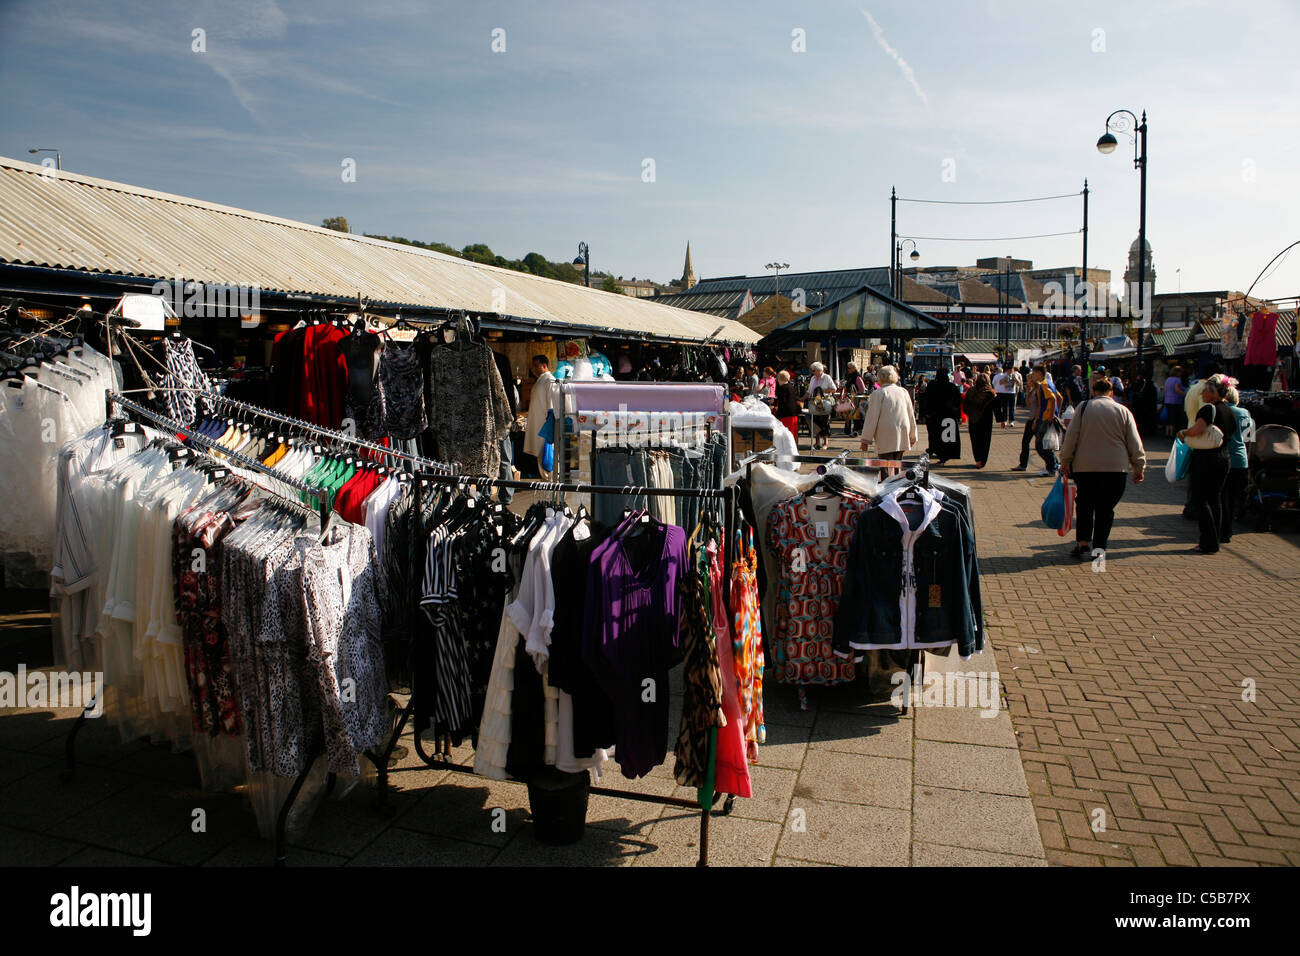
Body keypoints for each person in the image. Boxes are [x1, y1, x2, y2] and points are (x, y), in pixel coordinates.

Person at [1058, 378, 1146, 559]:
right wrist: (1139, 466)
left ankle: (1082, 541)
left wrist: (1065, 460)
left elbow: (1071, 436)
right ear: (1111, 392)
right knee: (1105, 510)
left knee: (1084, 504)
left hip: (1086, 467)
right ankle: (1099, 550)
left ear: (1093, 391)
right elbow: (1134, 441)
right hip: (1116, 468)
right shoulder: (1123, 411)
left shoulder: (1083, 408)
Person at [1178, 376, 1237, 554]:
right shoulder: (1229, 410)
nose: (1202, 394)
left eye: (1204, 391)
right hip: (1224, 458)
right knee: (1215, 498)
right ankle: (1215, 539)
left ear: (1212, 394)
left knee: (1200, 499)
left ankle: (1208, 541)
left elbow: (1197, 430)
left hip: (1206, 459)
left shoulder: (1208, 410)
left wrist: (1183, 433)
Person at [858, 365, 917, 469]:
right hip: (902, 428)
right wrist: (913, 435)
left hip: (885, 431)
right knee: (898, 460)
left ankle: (887, 481)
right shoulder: (903, 391)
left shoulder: (878, 393)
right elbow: (910, 414)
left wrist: (865, 440)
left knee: (885, 461)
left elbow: (872, 418)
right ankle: (896, 480)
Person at [1220, 384, 1254, 545]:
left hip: (1224, 458)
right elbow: (1250, 438)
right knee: (1233, 497)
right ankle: (1229, 528)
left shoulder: (1221, 411)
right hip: (1241, 459)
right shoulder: (1245, 413)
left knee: (1222, 496)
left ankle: (1224, 530)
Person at [1013, 365, 1059, 475]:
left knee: (1041, 445)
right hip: (1044, 417)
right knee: (1042, 444)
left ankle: (1052, 467)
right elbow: (1059, 398)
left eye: (1033, 374)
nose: (1032, 376)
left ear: (1039, 373)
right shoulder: (1049, 383)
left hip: (1044, 417)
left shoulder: (1043, 384)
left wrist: (1051, 415)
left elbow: (1052, 399)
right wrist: (1055, 413)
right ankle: (1053, 466)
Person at [920, 367, 962, 464]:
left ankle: (934, 449)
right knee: (947, 437)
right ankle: (945, 455)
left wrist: (926, 413)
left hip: (934, 416)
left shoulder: (932, 385)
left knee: (934, 435)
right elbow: (958, 401)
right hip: (948, 416)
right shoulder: (951, 386)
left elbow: (926, 399)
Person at [523, 354, 555, 478]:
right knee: (541, 453)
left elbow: (551, 404)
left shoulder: (549, 380)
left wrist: (549, 422)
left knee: (547, 452)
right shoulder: (541, 380)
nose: (534, 369)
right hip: (539, 423)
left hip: (545, 423)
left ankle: (551, 477)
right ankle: (546, 477)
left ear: (544, 365)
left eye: (537, 366)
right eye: (533, 366)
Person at [963, 372, 997, 468]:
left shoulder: (971, 391)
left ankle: (977, 459)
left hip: (973, 419)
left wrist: (969, 413)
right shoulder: (991, 393)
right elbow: (996, 408)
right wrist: (1002, 420)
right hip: (986, 420)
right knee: (985, 441)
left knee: (975, 440)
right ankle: (982, 461)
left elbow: (965, 404)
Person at [805, 361, 836, 449]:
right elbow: (809, 392)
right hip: (815, 404)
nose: (813, 372)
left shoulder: (826, 377)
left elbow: (834, 389)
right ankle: (817, 442)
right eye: (812, 370)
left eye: (814, 370)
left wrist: (823, 391)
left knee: (824, 423)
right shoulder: (813, 378)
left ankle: (825, 443)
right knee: (815, 423)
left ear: (819, 370)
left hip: (824, 403)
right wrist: (801, 399)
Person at [774, 369, 802, 450]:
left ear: (779, 379)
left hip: (786, 413)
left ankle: (789, 448)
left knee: (787, 432)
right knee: (794, 432)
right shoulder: (791, 387)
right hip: (794, 412)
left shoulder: (782, 388)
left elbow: (783, 401)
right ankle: (794, 447)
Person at [842, 362, 867, 435]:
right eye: (847, 368)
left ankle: (856, 430)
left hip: (856, 399)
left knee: (855, 415)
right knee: (848, 414)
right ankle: (848, 430)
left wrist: (855, 393)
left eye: (849, 368)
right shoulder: (849, 376)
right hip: (850, 398)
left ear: (854, 368)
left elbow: (862, 389)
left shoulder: (857, 377)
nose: (848, 370)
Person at [1162, 367, 1187, 437]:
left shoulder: (1167, 379)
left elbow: (1165, 389)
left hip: (1167, 400)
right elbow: (1177, 389)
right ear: (1177, 372)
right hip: (1175, 401)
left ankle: (1167, 432)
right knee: (1174, 418)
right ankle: (1172, 433)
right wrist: (1185, 393)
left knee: (1169, 417)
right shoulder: (1177, 380)